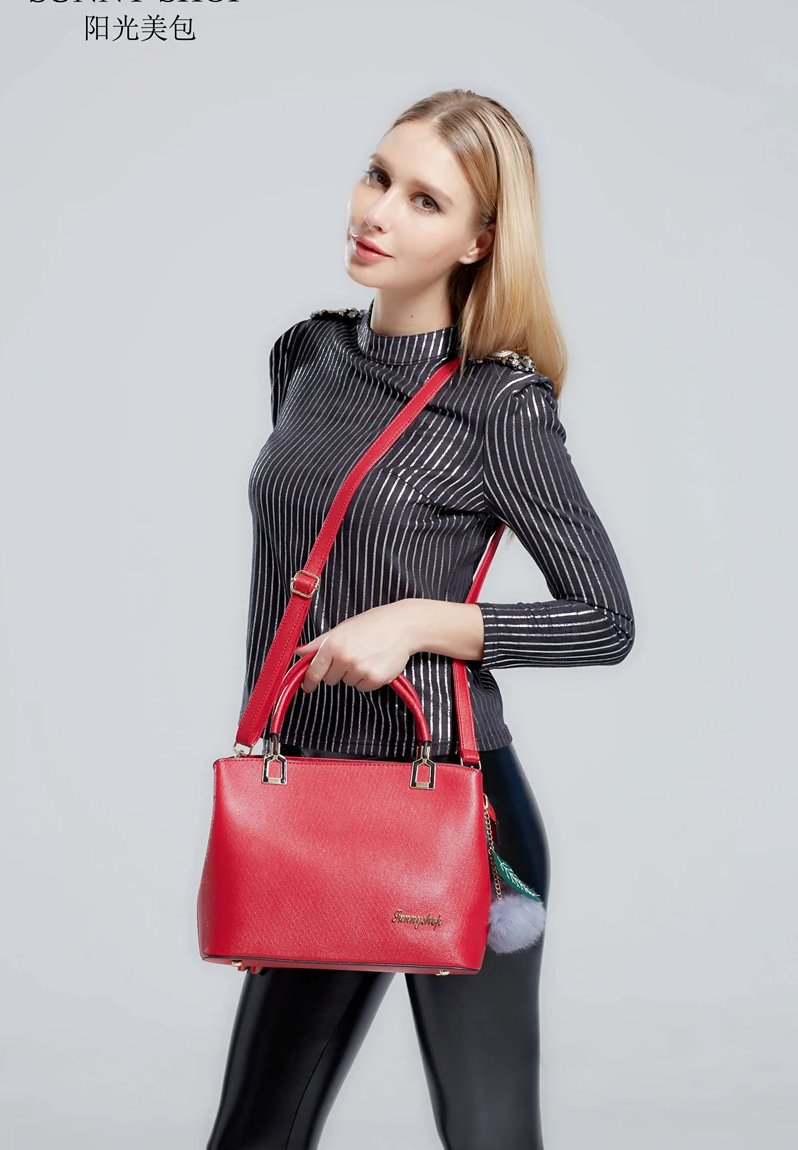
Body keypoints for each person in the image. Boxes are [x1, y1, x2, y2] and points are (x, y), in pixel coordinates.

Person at [205, 88, 635, 1150]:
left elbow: (603, 620)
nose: (378, 211)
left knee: (489, 1133)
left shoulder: (500, 406)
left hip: (458, 813)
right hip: (311, 803)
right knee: (254, 1133)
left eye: (424, 200)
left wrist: (418, 621)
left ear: (479, 240)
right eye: (377, 175)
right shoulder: (306, 356)